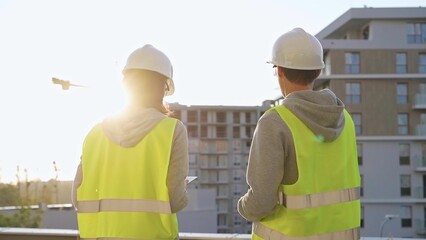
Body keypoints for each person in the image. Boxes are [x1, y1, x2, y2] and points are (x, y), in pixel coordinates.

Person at [237, 28, 361, 239]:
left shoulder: (275, 122)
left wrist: (242, 206)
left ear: (280, 71)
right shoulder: (345, 119)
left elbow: (260, 202)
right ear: (318, 71)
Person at [72, 44, 189, 240]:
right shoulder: (172, 130)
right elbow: (175, 200)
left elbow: (77, 199)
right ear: (163, 86)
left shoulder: (94, 134)